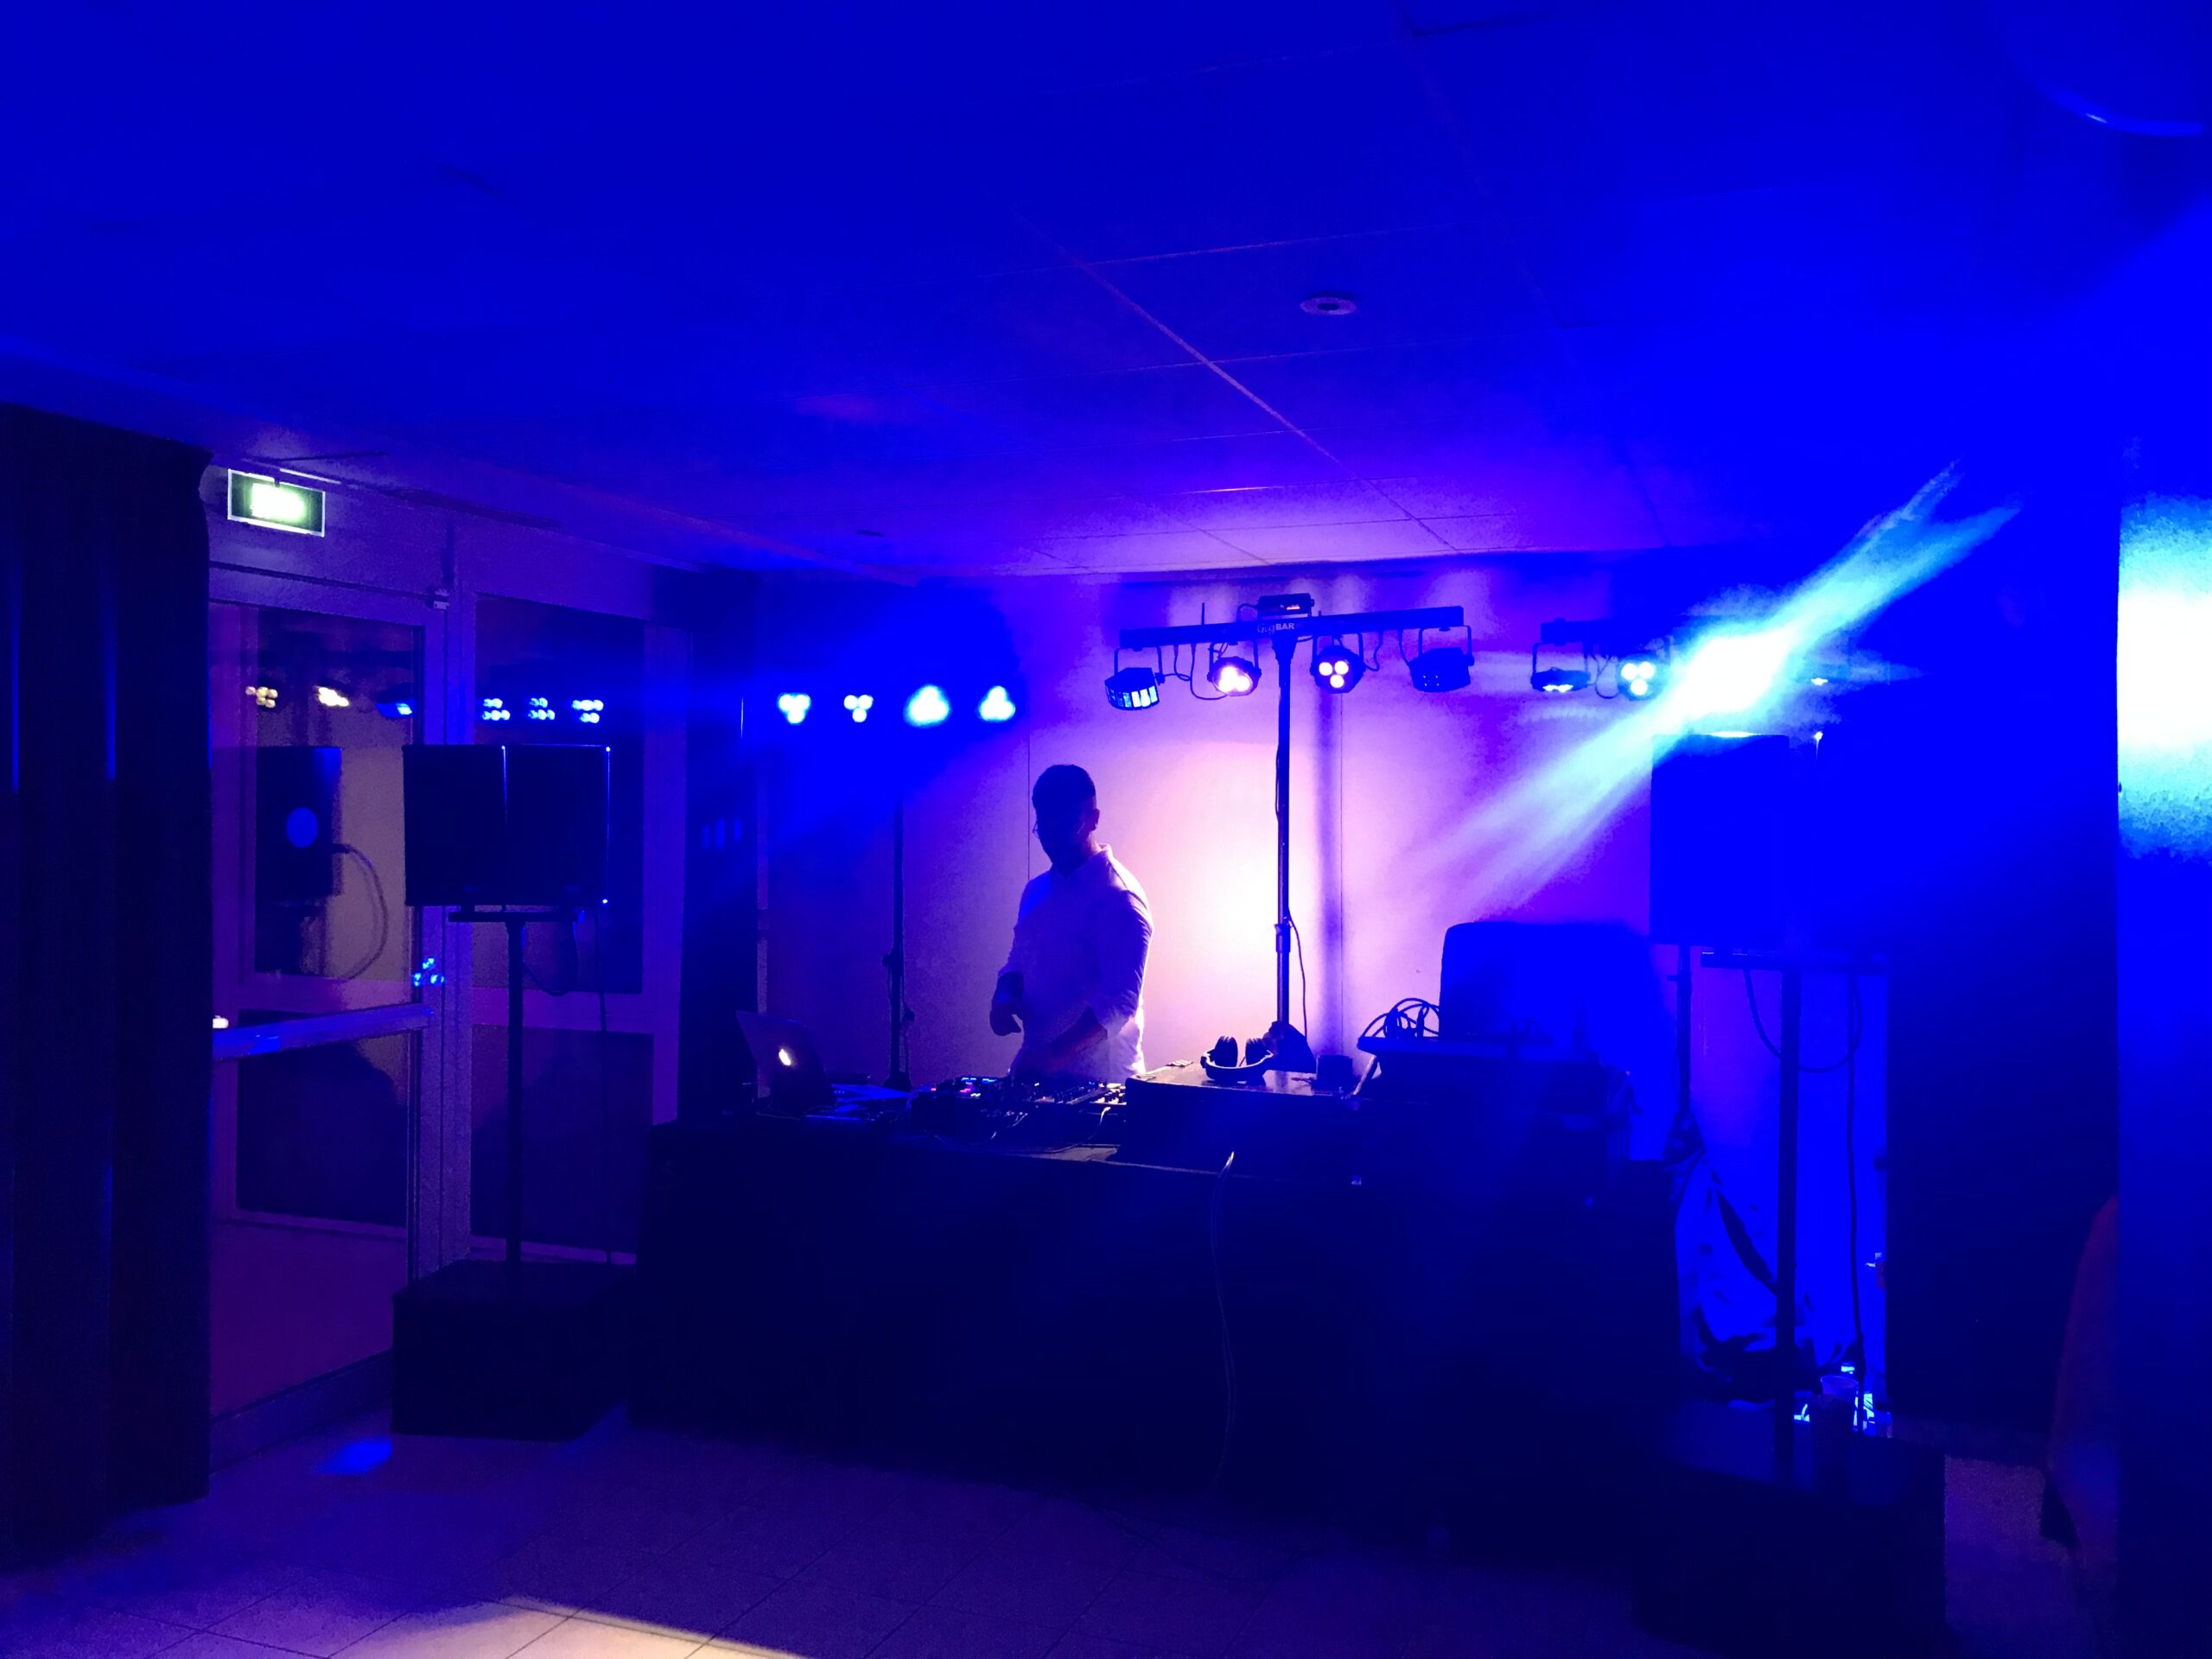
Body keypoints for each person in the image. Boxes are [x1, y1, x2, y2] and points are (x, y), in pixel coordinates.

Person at [990, 765, 1151, 1081]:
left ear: (1093, 820)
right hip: (1041, 1078)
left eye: (1065, 826)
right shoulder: (1035, 890)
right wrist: (1004, 997)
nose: (1054, 839)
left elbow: (1119, 1002)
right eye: (1045, 827)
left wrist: (1051, 1057)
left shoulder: (1120, 898)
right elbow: (1018, 962)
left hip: (1103, 1085)